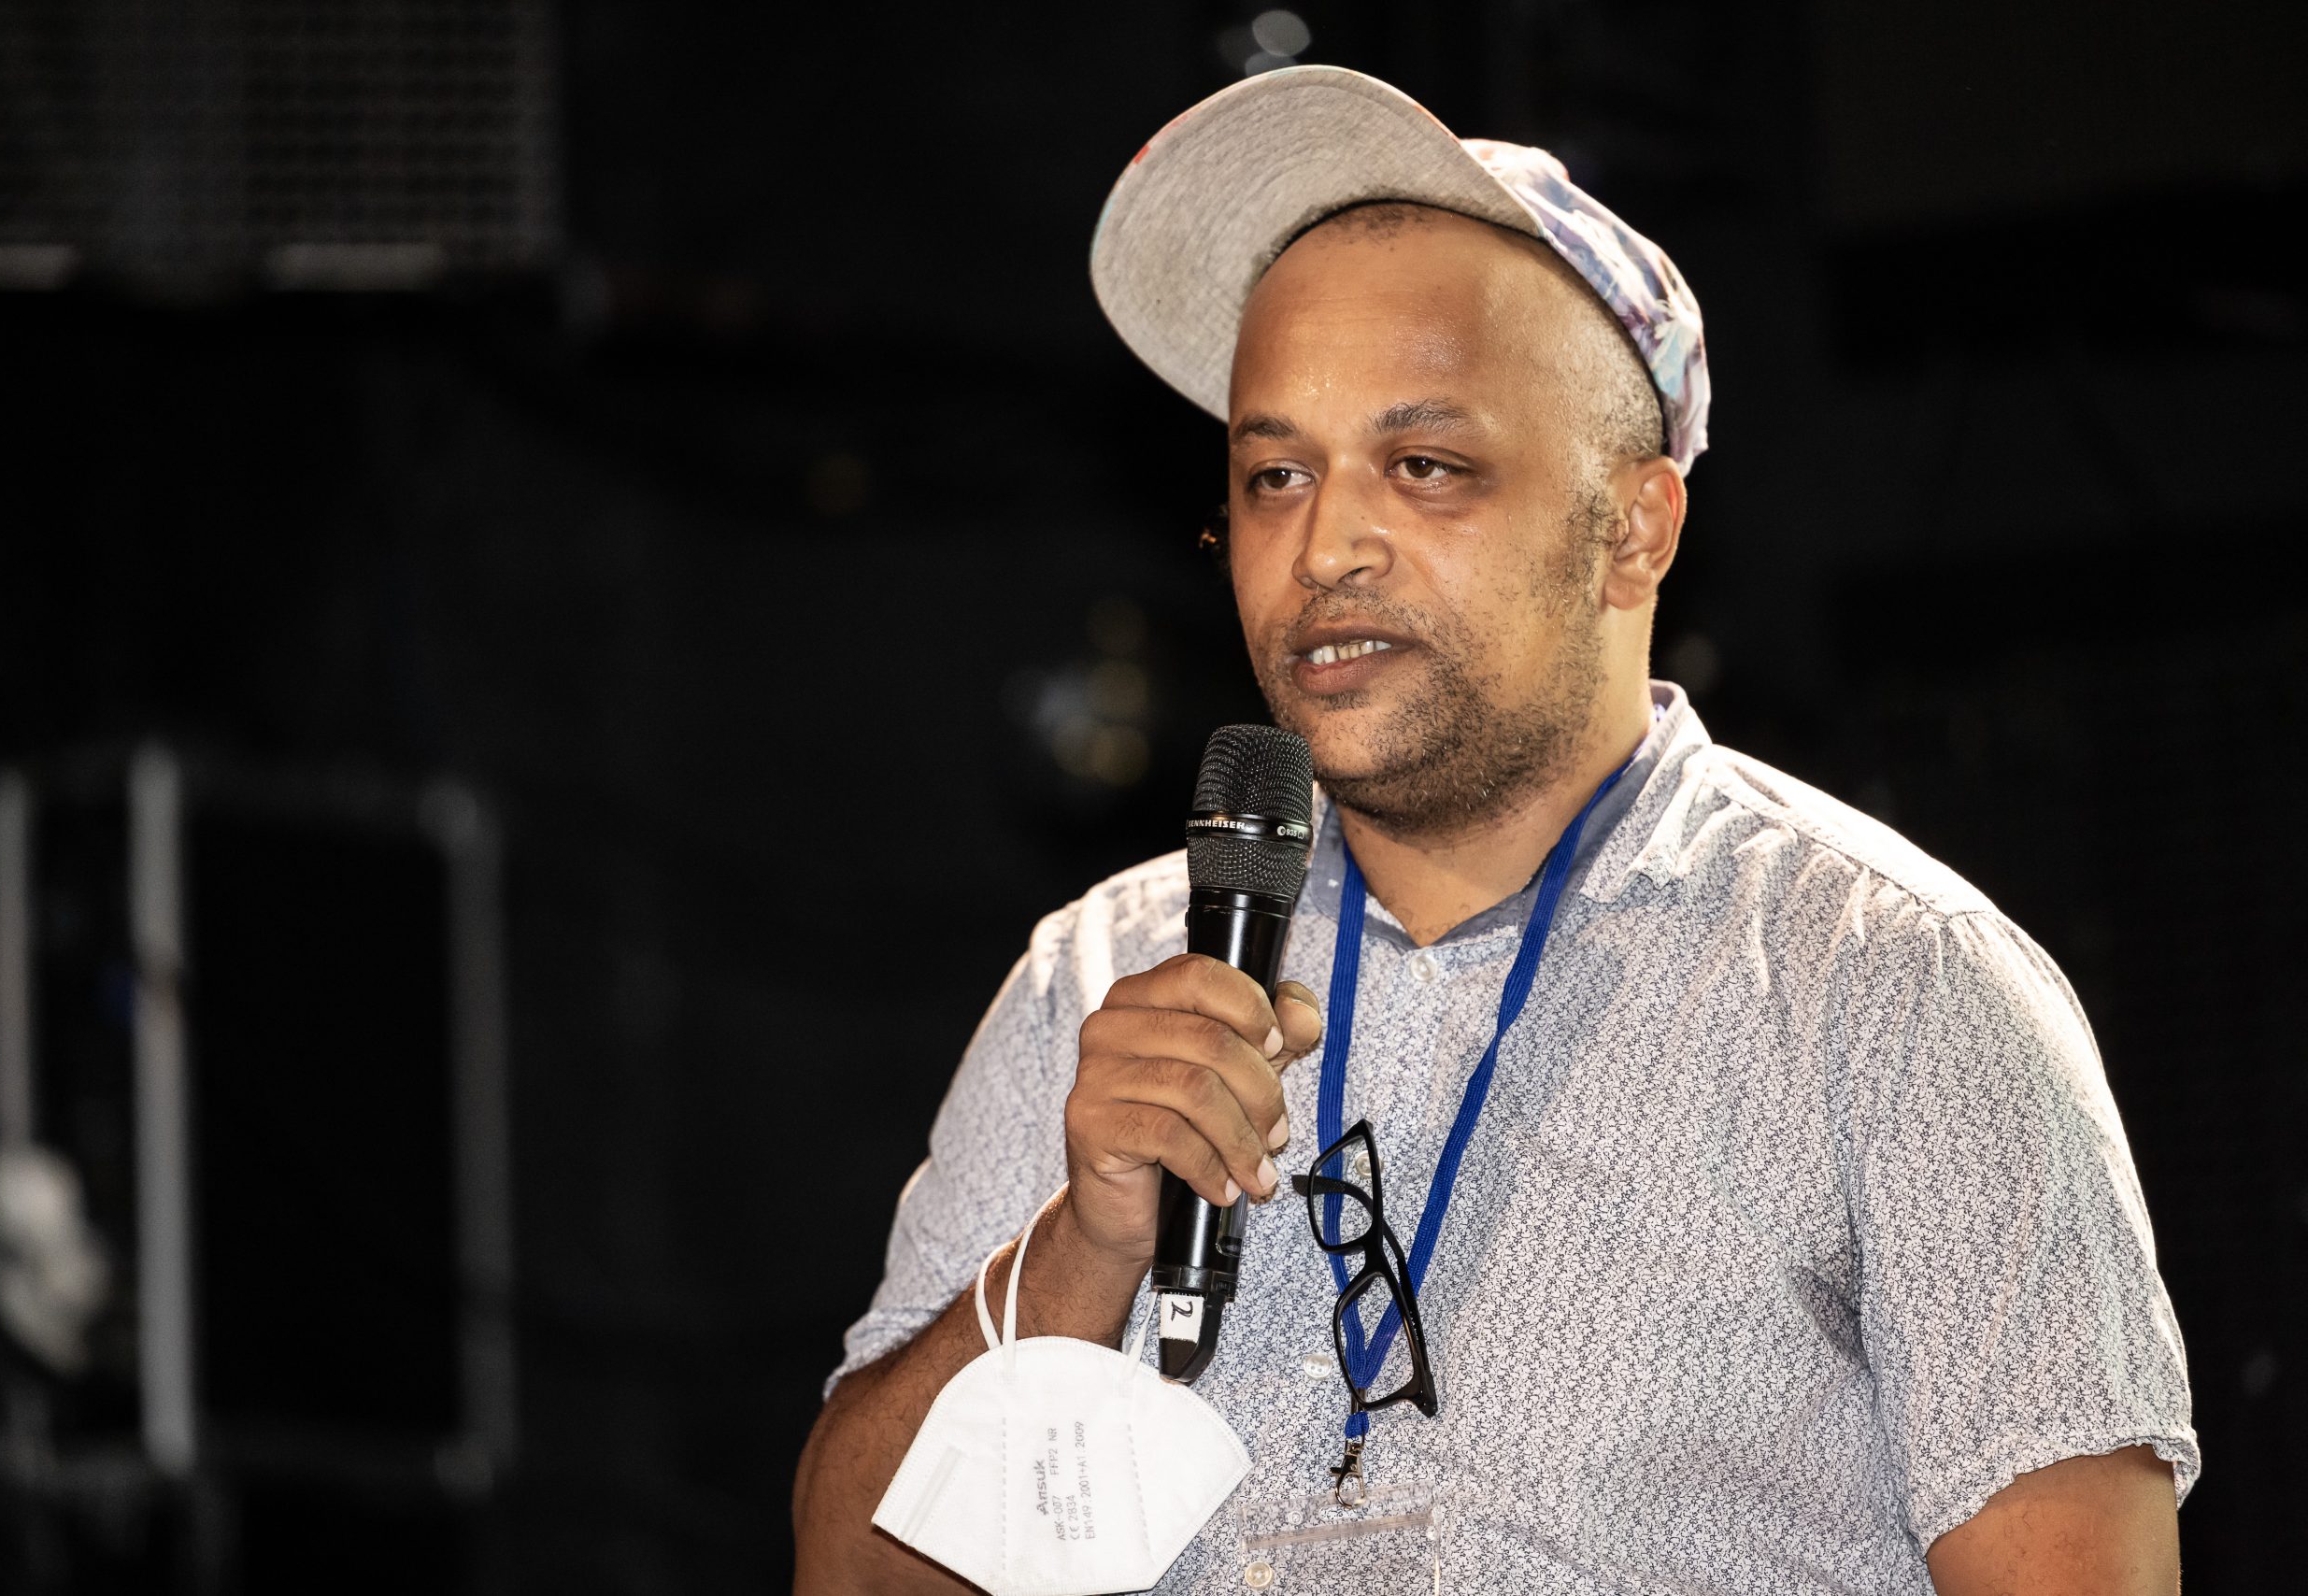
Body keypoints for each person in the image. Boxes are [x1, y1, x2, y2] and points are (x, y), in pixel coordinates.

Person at [792, 65, 2195, 1594]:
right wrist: (1085, 1247)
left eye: (1426, 467)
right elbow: (851, 1577)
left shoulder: (1889, 984)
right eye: (1275, 475)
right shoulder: (1100, 979)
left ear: (1635, 529)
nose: (1325, 546)